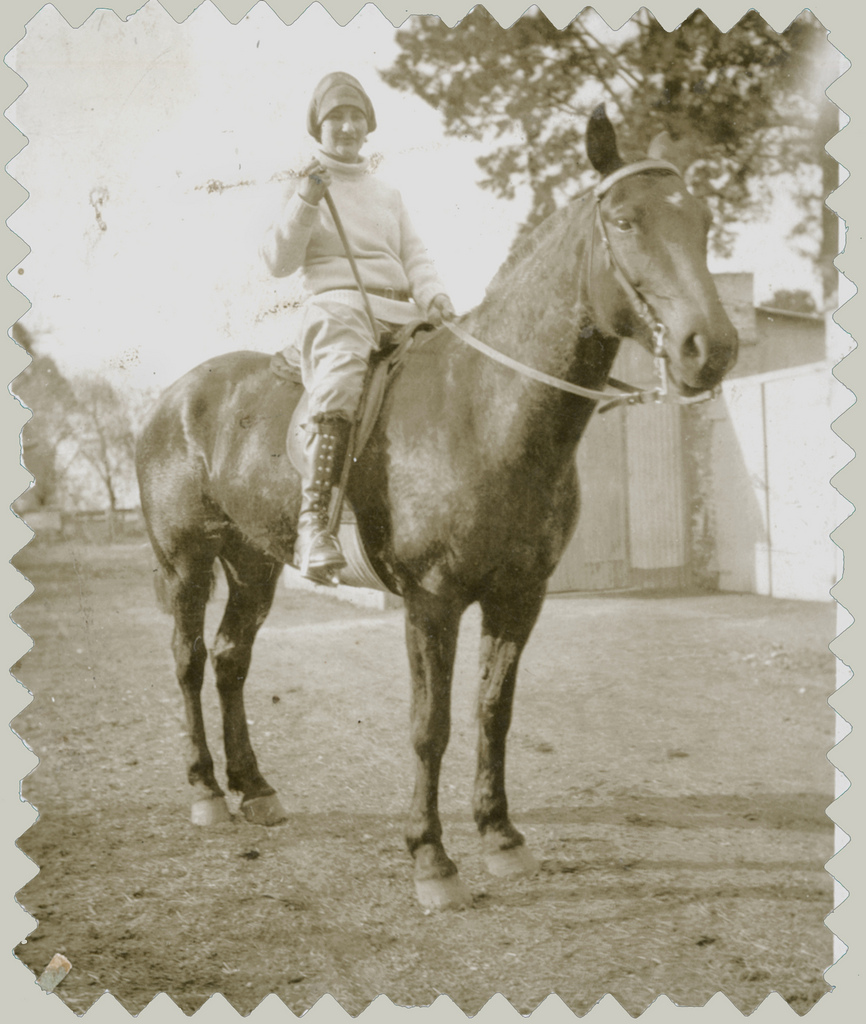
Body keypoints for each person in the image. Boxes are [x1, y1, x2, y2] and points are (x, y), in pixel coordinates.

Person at [262, 72, 456, 586]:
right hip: (340, 308)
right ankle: (314, 525)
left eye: (356, 117)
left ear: (368, 128)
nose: (346, 127)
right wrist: (305, 201)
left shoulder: (387, 193)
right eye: (335, 118)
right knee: (342, 379)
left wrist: (433, 294)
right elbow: (278, 261)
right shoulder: (302, 183)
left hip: (402, 313)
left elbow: (414, 254)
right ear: (318, 128)